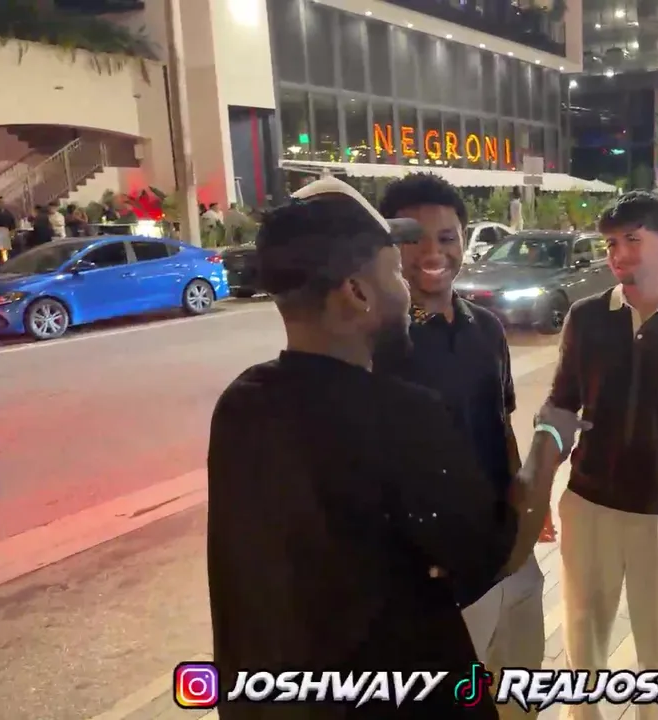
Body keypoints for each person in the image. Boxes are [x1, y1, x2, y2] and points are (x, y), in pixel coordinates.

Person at [205, 178, 551, 719]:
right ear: (357, 292)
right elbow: (494, 555)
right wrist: (553, 441)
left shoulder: (241, 405)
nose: (408, 284)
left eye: (447, 237)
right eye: (394, 270)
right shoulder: (400, 411)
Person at [532, 191, 658, 720]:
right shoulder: (587, 316)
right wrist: (538, 485)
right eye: (611, 243)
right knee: (583, 635)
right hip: (588, 501)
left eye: (631, 240)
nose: (618, 254)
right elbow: (561, 404)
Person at [372, 173, 545, 710]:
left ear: (464, 241)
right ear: (387, 247)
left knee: (520, 696)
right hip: (442, 584)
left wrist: (523, 502)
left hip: (510, 555)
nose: (432, 253)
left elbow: (500, 422)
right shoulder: (379, 344)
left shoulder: (486, 327)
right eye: (412, 239)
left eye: (446, 237)